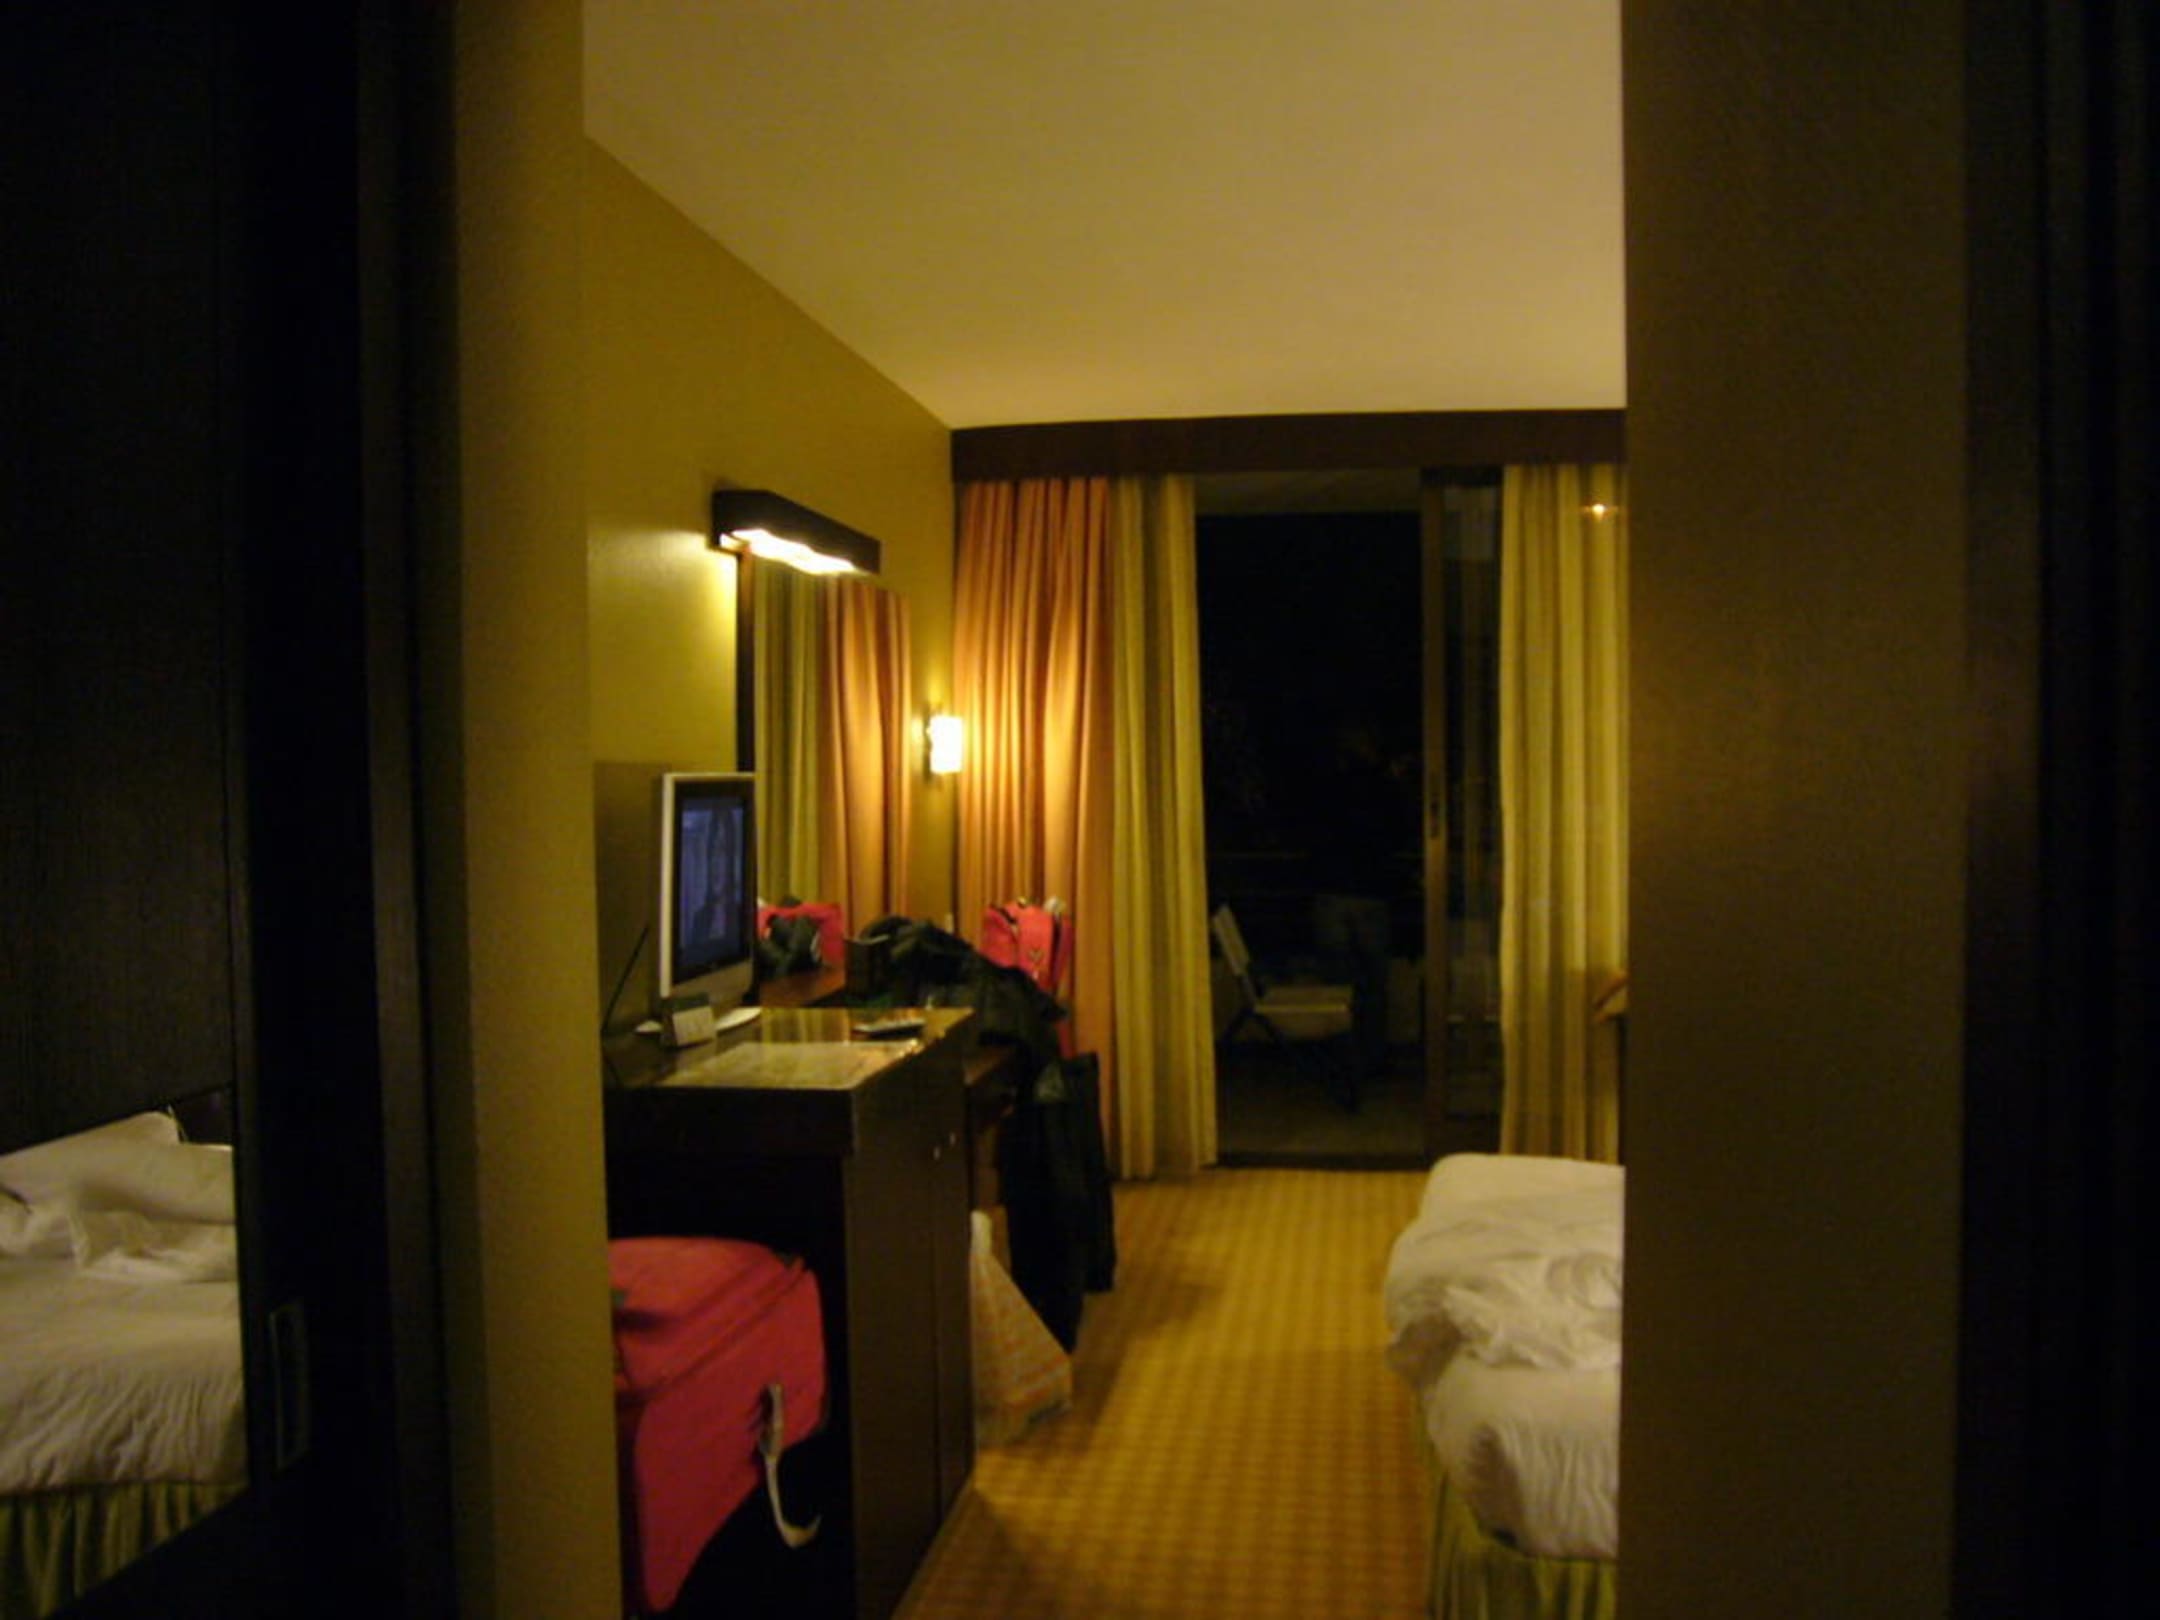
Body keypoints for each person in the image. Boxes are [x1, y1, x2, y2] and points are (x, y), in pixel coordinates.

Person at [1306, 721, 1417, 1089]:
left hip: (1332, 892)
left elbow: (1313, 833)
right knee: (1372, 984)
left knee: (1337, 985)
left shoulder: (1327, 789)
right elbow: (1400, 833)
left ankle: (1341, 1059)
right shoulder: (1382, 790)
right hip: (1370, 893)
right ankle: (1371, 1057)